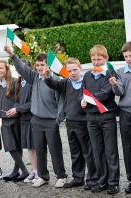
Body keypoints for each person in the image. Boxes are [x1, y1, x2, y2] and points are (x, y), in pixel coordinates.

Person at [4, 45, 67, 188]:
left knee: (55, 150)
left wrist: (58, 118)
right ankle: (43, 176)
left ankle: (61, 176)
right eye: (37, 65)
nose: (39, 68)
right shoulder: (34, 77)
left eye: (42, 65)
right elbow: (22, 68)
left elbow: (61, 100)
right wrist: (12, 55)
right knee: (39, 150)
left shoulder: (56, 80)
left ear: (48, 65)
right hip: (37, 120)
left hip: (51, 120)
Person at [44, 58, 97, 189]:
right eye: (69, 71)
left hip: (83, 122)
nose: (72, 73)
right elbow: (53, 84)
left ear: (80, 68)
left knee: (88, 152)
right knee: (75, 152)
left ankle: (92, 179)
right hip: (70, 121)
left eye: (74, 70)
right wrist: (47, 77)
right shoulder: (66, 82)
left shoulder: (86, 82)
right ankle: (78, 178)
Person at [78, 45, 119, 194]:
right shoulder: (87, 75)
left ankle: (113, 182)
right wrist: (82, 100)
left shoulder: (110, 73)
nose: (96, 62)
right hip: (91, 118)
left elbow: (106, 93)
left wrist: (89, 98)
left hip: (107, 116)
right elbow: (81, 92)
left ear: (106, 58)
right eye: (93, 59)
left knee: (110, 151)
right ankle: (102, 181)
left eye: (99, 59)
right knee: (97, 151)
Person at [109, 41, 131, 194]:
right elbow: (119, 92)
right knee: (128, 148)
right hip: (125, 113)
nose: (128, 59)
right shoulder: (120, 72)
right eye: (126, 56)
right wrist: (114, 84)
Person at [0, 60, 29, 182]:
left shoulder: (14, 82)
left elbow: (18, 99)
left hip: (15, 118)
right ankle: (24, 170)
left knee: (17, 145)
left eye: (1, 68)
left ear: (6, 68)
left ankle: (16, 171)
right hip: (5, 120)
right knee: (10, 145)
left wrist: (15, 109)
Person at [14, 63, 38, 183]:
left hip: (32, 119)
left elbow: (31, 102)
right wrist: (16, 108)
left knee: (36, 146)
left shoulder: (32, 83)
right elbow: (16, 100)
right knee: (29, 147)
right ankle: (34, 170)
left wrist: (17, 109)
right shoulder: (19, 83)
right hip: (23, 120)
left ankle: (40, 171)